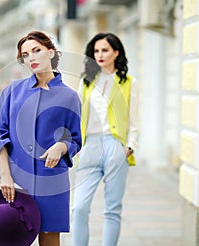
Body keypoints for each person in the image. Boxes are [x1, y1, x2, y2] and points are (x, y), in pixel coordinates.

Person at [0, 30, 82, 246]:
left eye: (36, 50)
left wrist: (61, 146)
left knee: (49, 238)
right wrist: (6, 175)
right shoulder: (12, 91)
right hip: (16, 180)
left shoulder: (70, 97)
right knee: (13, 236)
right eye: (25, 54)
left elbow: (76, 140)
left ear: (51, 52)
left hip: (52, 180)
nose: (31, 57)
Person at [71, 32, 139, 246]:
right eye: (96, 51)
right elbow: (77, 114)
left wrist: (128, 147)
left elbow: (135, 119)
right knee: (79, 207)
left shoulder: (129, 82)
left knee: (112, 209)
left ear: (116, 53)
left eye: (105, 50)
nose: (99, 55)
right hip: (90, 146)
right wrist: (77, 145)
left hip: (115, 146)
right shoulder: (86, 82)